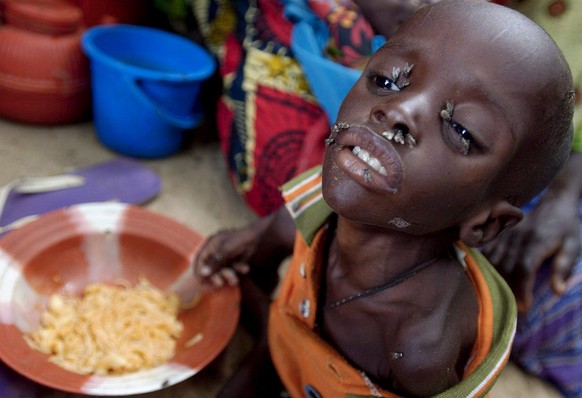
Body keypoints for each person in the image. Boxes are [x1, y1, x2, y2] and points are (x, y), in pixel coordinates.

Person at [192, 1, 575, 396]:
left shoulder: (420, 347)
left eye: (461, 130)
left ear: (486, 222)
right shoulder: (322, 207)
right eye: (387, 81)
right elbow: (285, 227)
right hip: (287, 351)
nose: (399, 111)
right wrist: (248, 242)